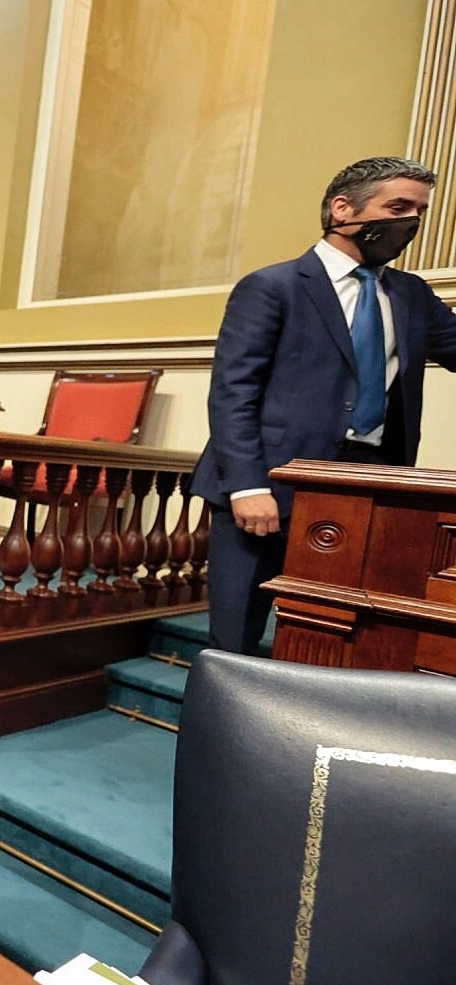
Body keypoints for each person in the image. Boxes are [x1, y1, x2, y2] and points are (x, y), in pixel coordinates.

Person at [192, 156, 456, 656]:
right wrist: (247, 485)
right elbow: (234, 392)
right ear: (342, 209)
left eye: (419, 211)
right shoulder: (273, 286)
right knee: (236, 639)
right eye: (398, 207)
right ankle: (219, 733)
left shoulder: (411, 294)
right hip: (270, 484)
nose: (410, 223)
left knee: (343, 629)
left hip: (372, 489)